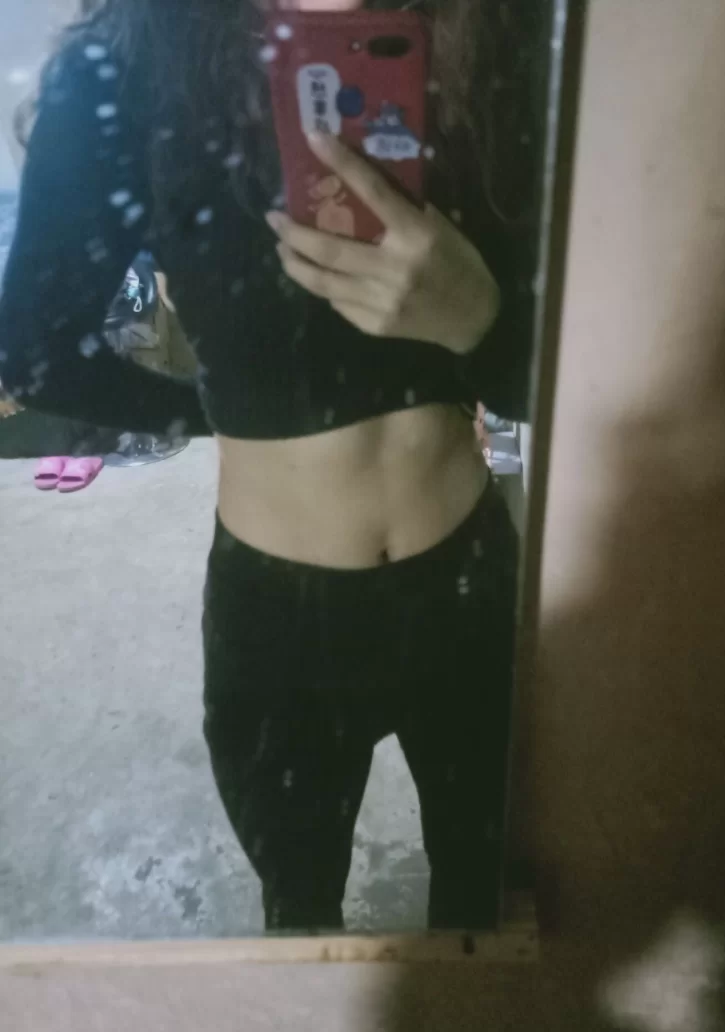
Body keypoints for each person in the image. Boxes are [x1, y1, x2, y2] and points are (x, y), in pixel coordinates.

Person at [0, 0, 536, 931]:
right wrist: (217, 409)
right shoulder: (135, 57)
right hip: (282, 624)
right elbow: (35, 350)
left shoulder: (494, 33)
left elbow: (571, 361)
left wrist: (478, 320)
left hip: (471, 586)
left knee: (480, 901)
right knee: (301, 919)